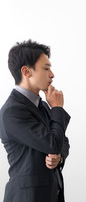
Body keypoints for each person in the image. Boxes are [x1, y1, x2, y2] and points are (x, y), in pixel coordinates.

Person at [0, 40, 70, 202]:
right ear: (26, 71)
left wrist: (59, 157)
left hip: (51, 193)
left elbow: (62, 141)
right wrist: (57, 109)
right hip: (26, 197)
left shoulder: (43, 105)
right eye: (46, 68)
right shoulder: (12, 111)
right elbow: (52, 143)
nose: (52, 74)